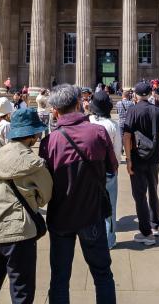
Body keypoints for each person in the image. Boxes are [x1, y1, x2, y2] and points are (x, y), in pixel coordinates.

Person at [39, 84, 117, 302]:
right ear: (78, 104)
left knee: (60, 278)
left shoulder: (49, 141)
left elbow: (45, 183)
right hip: (92, 215)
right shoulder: (98, 132)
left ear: (54, 110)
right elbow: (112, 168)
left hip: (61, 217)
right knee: (102, 275)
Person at [0, 108, 53, 304]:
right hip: (18, 232)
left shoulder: (0, 154)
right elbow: (46, 195)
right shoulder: (34, 163)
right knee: (21, 290)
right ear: (33, 134)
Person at [122, 81, 159, 245]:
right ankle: (155, 225)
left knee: (139, 195)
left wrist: (128, 159)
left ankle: (146, 233)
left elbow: (127, 136)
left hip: (137, 157)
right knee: (153, 191)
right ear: (149, 94)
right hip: (154, 158)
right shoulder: (158, 110)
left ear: (135, 95)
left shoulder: (132, 110)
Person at [88, 90, 122, 249]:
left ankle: (91, 236)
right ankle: (109, 240)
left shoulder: (87, 122)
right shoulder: (113, 125)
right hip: (108, 170)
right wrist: (115, 168)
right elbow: (117, 152)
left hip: (89, 170)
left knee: (90, 203)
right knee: (110, 206)